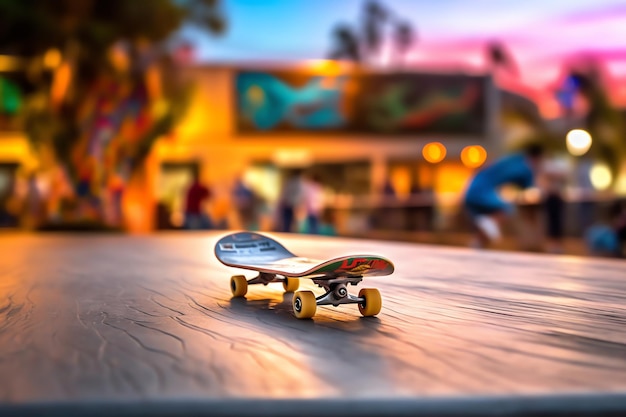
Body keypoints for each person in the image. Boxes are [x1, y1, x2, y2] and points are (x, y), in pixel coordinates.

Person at [463, 144, 544, 248]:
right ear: (537, 158)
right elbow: (530, 189)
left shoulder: (514, 159)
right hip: (481, 191)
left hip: (472, 189)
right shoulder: (525, 166)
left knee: (489, 222)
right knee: (507, 209)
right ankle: (488, 224)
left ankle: (478, 243)